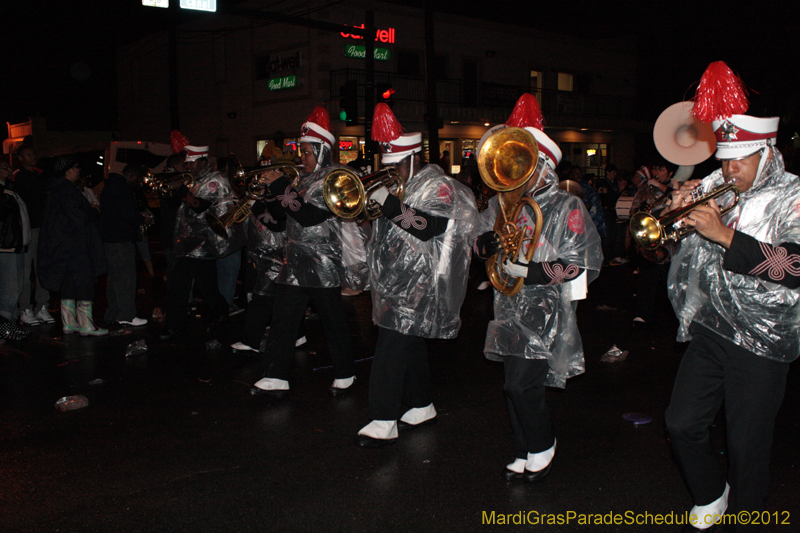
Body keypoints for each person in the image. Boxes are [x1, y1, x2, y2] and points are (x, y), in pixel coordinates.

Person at [662, 62, 800, 531]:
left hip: (763, 342)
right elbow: (669, 252)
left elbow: (795, 266)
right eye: (723, 159)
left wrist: (723, 235)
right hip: (713, 327)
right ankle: (709, 492)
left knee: (747, 447)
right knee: (680, 423)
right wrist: (675, 222)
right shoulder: (716, 188)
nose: (728, 169)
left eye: (738, 160)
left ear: (767, 152)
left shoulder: (792, 196)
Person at [474, 94, 602, 482]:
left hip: (545, 309)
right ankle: (523, 447)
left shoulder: (567, 205)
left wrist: (527, 271)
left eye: (524, 163)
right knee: (512, 386)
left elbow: (580, 264)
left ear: (543, 165)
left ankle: (542, 443)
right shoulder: (505, 204)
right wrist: (488, 246)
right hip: (509, 305)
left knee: (520, 384)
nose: (516, 172)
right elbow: (479, 241)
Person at [354, 104, 477, 448]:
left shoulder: (439, 186)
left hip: (422, 282)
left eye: (394, 166)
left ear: (411, 159)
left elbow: (429, 227)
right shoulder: (400, 185)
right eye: (386, 165)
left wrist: (388, 203)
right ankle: (422, 405)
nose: (389, 171)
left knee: (392, 345)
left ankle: (383, 419)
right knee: (410, 344)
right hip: (394, 279)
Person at [250, 106, 368, 397]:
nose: (300, 158)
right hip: (295, 260)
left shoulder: (335, 180)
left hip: (322, 262)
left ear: (323, 151)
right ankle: (276, 374)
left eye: (306, 153)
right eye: (300, 152)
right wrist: (268, 197)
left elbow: (308, 216)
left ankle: (346, 373)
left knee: (333, 320)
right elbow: (282, 215)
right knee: (283, 318)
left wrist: (280, 186)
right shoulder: (301, 180)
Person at [159, 145, 239, 340]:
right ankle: (222, 314)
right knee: (208, 284)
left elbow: (199, 206)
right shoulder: (195, 180)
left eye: (191, 163)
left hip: (202, 241)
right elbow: (174, 204)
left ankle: (173, 326)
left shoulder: (215, 180)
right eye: (187, 163)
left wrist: (182, 191)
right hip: (191, 242)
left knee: (178, 283)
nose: (188, 167)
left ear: (203, 162)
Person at [38, 157, 108, 336]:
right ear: (68, 170)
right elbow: (79, 217)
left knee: (68, 282)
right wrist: (93, 211)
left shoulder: (54, 190)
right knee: (84, 281)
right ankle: (86, 324)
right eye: (76, 168)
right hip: (74, 244)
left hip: (62, 245)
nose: (79, 171)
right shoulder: (67, 191)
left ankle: (69, 322)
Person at [99, 165, 148, 327]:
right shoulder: (123, 189)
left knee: (114, 278)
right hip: (121, 239)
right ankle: (126, 314)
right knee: (126, 278)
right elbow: (127, 214)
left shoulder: (109, 187)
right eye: (137, 180)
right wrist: (141, 219)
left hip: (110, 240)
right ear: (132, 176)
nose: (137, 184)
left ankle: (113, 312)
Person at [10, 145, 53, 326]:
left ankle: (42, 306)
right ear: (21, 158)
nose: (32, 157)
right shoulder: (18, 178)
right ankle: (25, 308)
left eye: (33, 153)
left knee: (42, 267)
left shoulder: (40, 176)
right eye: (28, 154)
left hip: (41, 228)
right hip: (27, 230)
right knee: (25, 271)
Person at [631, 160, 675, 327]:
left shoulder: (676, 186)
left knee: (670, 279)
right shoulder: (645, 189)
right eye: (655, 167)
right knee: (646, 279)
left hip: (669, 241)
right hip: (649, 239)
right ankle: (642, 314)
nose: (657, 171)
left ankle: (673, 316)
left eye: (661, 169)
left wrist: (660, 186)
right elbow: (635, 210)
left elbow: (678, 199)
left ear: (670, 173)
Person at [0, 159, 31, 341]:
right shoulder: (5, 191)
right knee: (9, 289)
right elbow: (4, 210)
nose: (10, 170)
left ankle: (10, 326)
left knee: (15, 287)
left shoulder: (9, 189)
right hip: (6, 246)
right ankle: (4, 327)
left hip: (15, 245)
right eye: (5, 168)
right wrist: (8, 191)